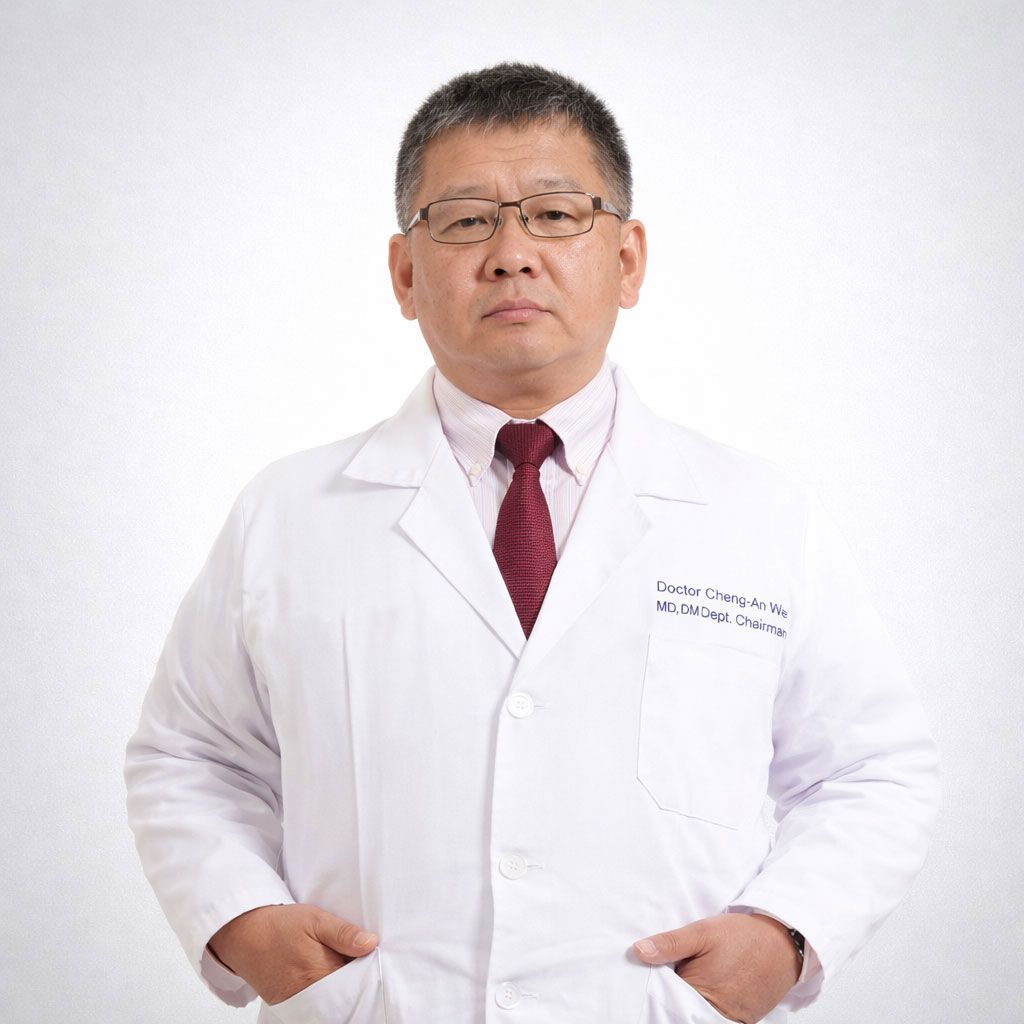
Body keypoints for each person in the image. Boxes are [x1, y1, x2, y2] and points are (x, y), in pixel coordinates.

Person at [124, 63, 940, 1024]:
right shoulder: (290, 512)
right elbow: (191, 757)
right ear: (404, 273)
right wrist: (242, 919)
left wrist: (785, 933)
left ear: (628, 260)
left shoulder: (757, 514)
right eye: (465, 220)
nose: (511, 254)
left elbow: (871, 769)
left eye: (555, 215)